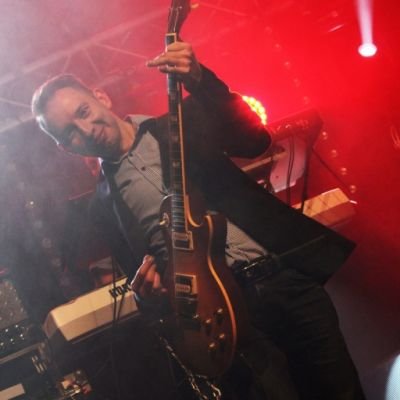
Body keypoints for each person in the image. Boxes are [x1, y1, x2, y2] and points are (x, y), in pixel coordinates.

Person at [31, 40, 365, 400]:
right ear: (66, 148)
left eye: (83, 111)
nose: (85, 128)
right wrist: (148, 296)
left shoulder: (180, 123)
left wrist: (201, 79)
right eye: (70, 132)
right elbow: (146, 284)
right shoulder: (103, 207)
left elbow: (254, 141)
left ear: (102, 97)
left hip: (283, 280)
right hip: (227, 319)